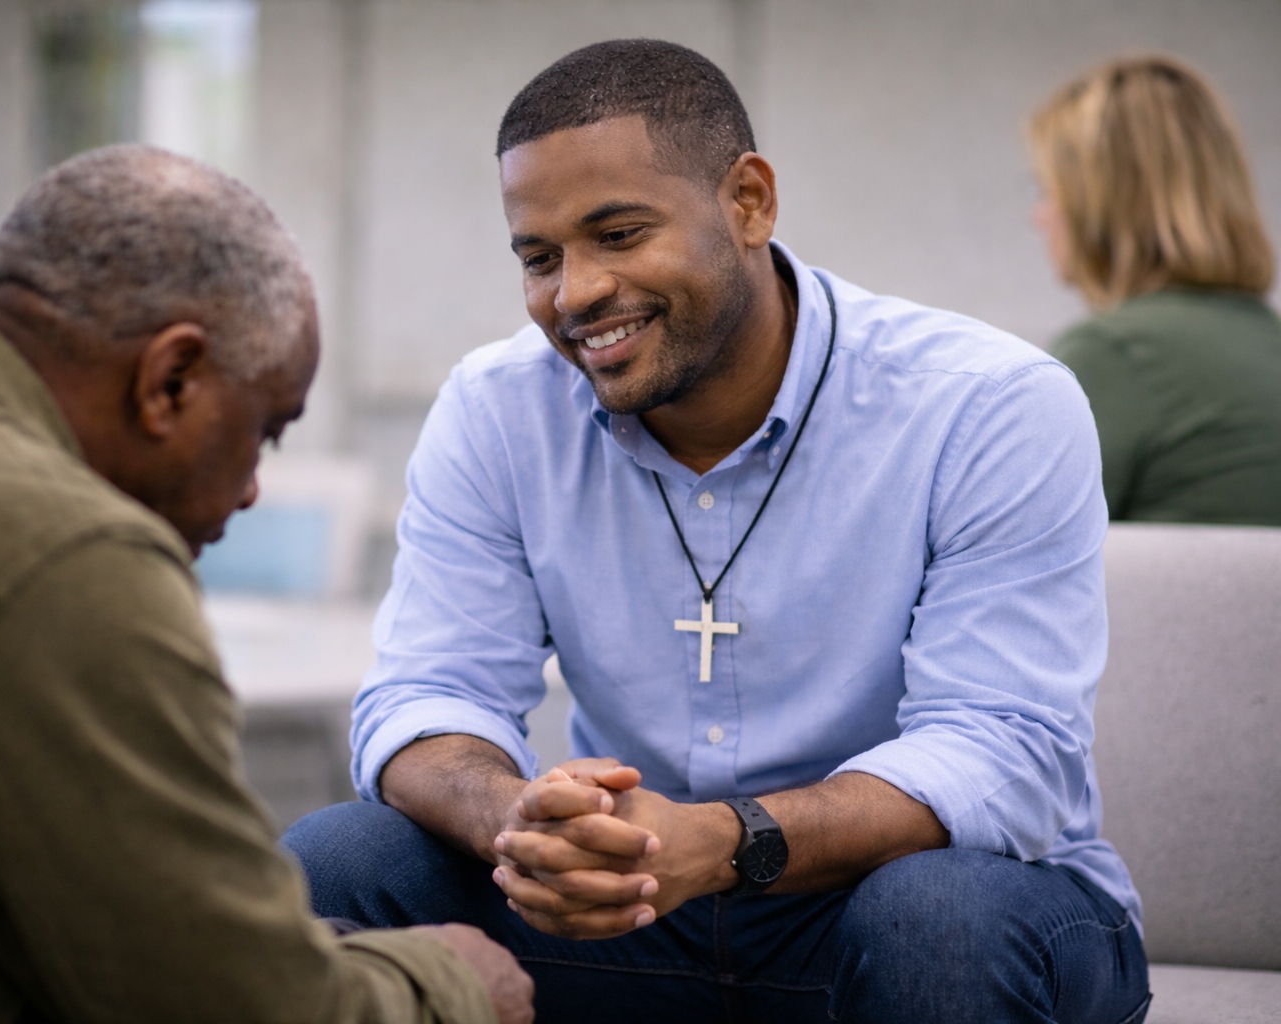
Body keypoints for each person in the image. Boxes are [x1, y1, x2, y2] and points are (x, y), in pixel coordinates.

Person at [283, 39, 1150, 1024]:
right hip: (637, 914)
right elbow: (427, 691)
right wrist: (518, 822)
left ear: (748, 203)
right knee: (339, 860)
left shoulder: (985, 404)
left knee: (936, 914)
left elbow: (1005, 750)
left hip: (916, 908)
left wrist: (726, 840)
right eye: (539, 257)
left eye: (617, 233)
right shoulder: (497, 410)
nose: (574, 294)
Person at [0, 145, 533, 1024]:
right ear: (171, 380)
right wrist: (452, 985)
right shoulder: (64, 557)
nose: (250, 493)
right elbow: (233, 1005)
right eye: (265, 431)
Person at [1030, 54, 1281, 525]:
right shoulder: (1268, 341)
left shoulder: (1115, 355)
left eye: (1047, 190)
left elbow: (1010, 564)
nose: (1038, 217)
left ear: (1097, 203)